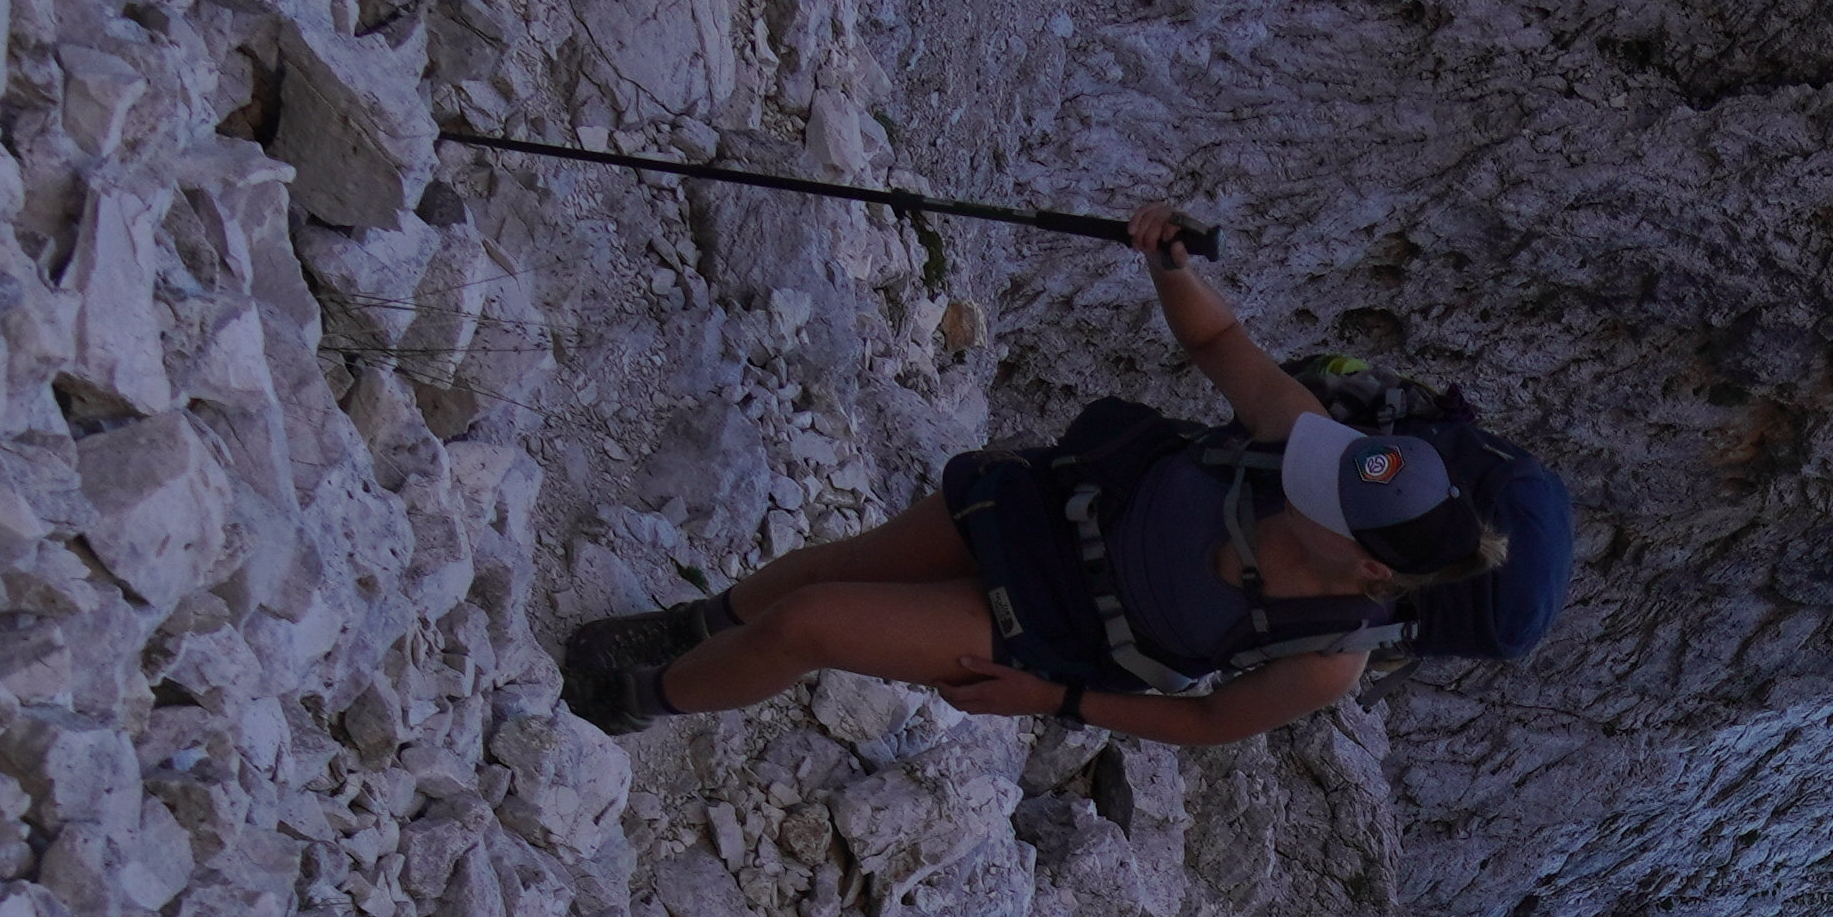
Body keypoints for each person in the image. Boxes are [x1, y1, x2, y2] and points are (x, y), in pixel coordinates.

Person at [557, 207, 1509, 745]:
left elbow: (1213, 717)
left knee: (814, 623)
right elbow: (1220, 339)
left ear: (1374, 571)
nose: (1311, 471)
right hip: (1046, 510)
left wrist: (1051, 702)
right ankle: (688, 629)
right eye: (1333, 467)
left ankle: (641, 700)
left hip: (1059, 632)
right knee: (818, 573)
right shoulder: (1309, 440)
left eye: (1330, 498)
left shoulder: (1329, 657)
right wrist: (1168, 264)